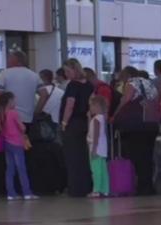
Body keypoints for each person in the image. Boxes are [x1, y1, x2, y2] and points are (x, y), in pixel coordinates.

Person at [113, 66, 159, 196]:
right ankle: (148, 186)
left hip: (135, 125)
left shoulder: (132, 83)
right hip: (151, 124)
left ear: (126, 76)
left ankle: (141, 186)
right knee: (147, 156)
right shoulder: (149, 83)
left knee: (136, 156)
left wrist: (116, 114)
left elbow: (125, 100)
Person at [60, 58, 94, 197]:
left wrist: (64, 122)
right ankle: (86, 186)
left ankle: (75, 188)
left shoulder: (72, 85)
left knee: (72, 157)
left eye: (68, 71)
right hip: (85, 123)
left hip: (73, 123)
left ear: (74, 70)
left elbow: (70, 104)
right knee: (84, 156)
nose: (66, 74)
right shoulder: (89, 85)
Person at [0, 92, 38, 201]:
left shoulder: (0, 114)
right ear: (9, 101)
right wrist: (22, 127)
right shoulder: (13, 113)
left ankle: (11, 193)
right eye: (14, 100)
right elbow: (22, 127)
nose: (15, 102)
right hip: (16, 143)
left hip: (7, 143)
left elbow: (1, 129)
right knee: (21, 168)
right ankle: (27, 192)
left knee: (10, 169)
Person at [0, 51, 49, 126]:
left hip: (7, 118)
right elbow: (44, 94)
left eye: (9, 58)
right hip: (28, 118)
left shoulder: (4, 74)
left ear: (14, 60)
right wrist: (36, 112)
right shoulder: (34, 75)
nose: (7, 61)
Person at [87, 96, 109, 198]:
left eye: (91, 106)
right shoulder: (103, 118)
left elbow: (95, 135)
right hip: (103, 148)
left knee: (96, 170)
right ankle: (105, 189)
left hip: (96, 147)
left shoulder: (96, 119)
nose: (90, 108)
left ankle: (96, 190)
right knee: (103, 169)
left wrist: (94, 149)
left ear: (96, 106)